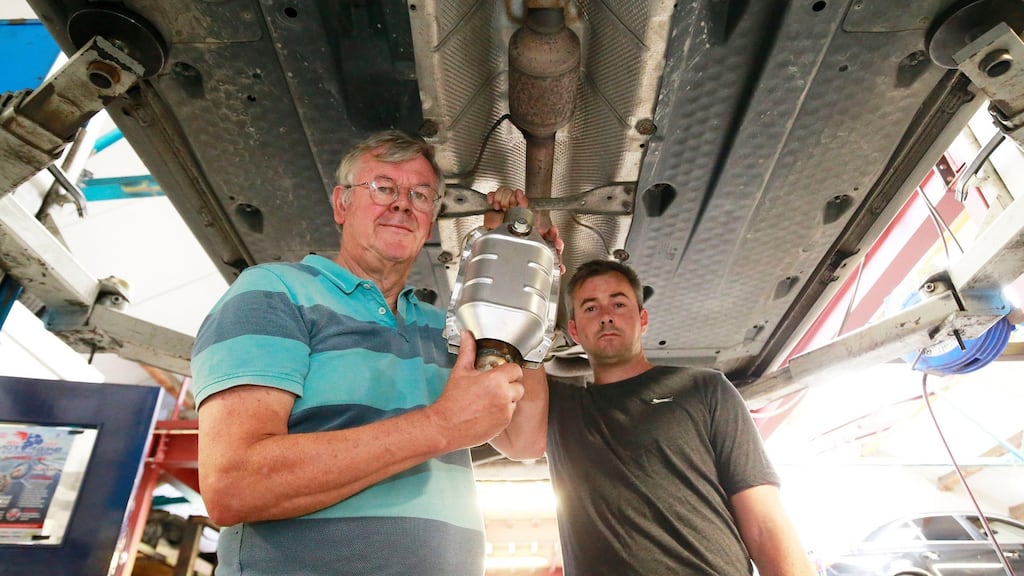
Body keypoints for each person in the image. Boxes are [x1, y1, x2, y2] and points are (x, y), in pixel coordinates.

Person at [191, 130, 548, 576]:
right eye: (383, 188)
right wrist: (440, 426)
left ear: (432, 218)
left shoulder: (447, 330)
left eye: (420, 195)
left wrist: (522, 280)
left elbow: (524, 439)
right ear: (342, 204)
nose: (402, 203)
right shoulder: (274, 292)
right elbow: (233, 485)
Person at [524, 258, 817, 575]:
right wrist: (523, 255)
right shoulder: (561, 410)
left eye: (619, 304)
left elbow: (764, 523)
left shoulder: (703, 389)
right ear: (575, 330)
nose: (606, 316)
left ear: (643, 319)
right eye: (591, 308)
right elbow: (518, 435)